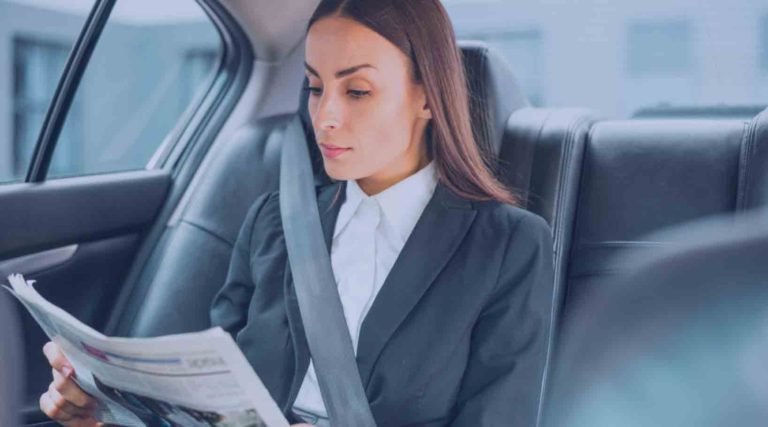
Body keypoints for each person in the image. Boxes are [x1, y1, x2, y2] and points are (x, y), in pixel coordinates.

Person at [39, 0, 555, 425]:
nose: (324, 116)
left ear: (428, 98)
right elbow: (215, 399)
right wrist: (106, 411)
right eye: (314, 87)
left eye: (357, 91)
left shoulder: (509, 246)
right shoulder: (272, 223)